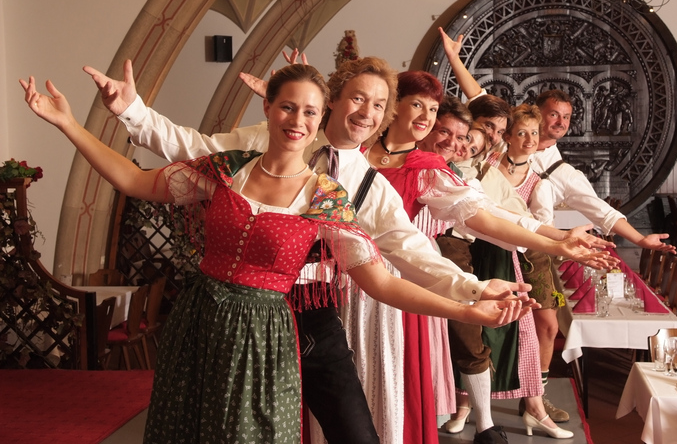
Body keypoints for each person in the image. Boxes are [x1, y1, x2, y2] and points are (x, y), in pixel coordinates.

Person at [19, 64, 524, 444]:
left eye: (308, 111)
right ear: (268, 108)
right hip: (201, 322)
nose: (297, 120)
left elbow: (385, 280)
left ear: (320, 114)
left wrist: (467, 305)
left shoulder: (328, 196)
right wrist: (68, 124)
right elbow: (135, 179)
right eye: (287, 107)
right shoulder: (225, 168)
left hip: (269, 334)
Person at [439, 27, 677, 423]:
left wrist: (639, 238)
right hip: (490, 241)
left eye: (566, 118)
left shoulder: (560, 170)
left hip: (538, 247)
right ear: (531, 117)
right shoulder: (500, 148)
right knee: (480, 322)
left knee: (545, 326)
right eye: (552, 115)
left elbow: (599, 209)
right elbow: (480, 99)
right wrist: (454, 58)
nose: (558, 124)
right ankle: (469, 401)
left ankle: (534, 399)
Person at [367, 73, 615, 444]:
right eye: (421, 108)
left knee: (401, 372)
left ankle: (484, 421)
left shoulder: (433, 170)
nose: (452, 142)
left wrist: (558, 241)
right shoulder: (357, 152)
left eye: (433, 111)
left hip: (406, 271)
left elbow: (493, 218)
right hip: (353, 274)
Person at [420, 103, 574, 441]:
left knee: (538, 325)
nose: (529, 139)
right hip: (482, 249)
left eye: (533, 133)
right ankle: (464, 408)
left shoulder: (535, 177)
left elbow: (509, 217)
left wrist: (559, 240)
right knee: (466, 330)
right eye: (522, 132)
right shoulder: (478, 165)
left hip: (525, 255)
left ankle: (531, 403)